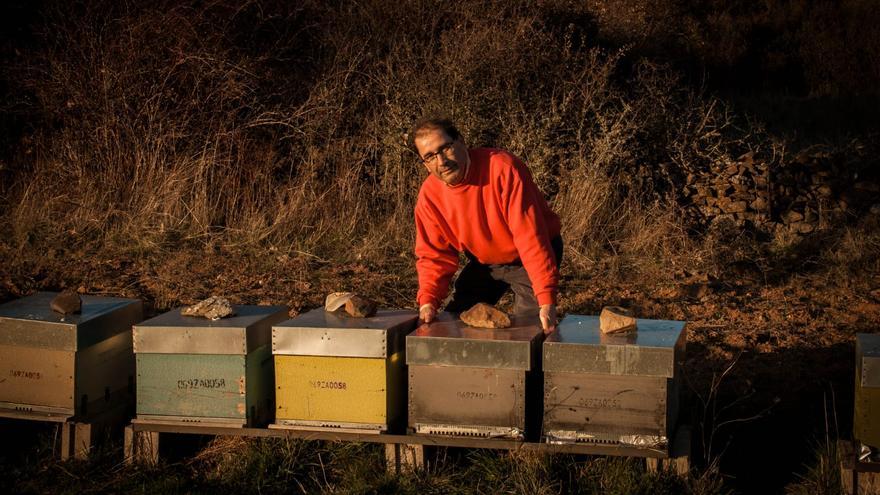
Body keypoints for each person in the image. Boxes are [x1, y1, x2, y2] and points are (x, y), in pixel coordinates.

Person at [411, 117, 563, 333]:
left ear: (461, 141)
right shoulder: (429, 196)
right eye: (430, 157)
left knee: (531, 329)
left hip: (530, 256)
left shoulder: (503, 169)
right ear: (425, 164)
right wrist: (428, 300)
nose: (441, 161)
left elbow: (530, 236)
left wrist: (546, 298)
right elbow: (434, 254)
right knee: (457, 320)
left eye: (445, 148)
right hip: (485, 263)